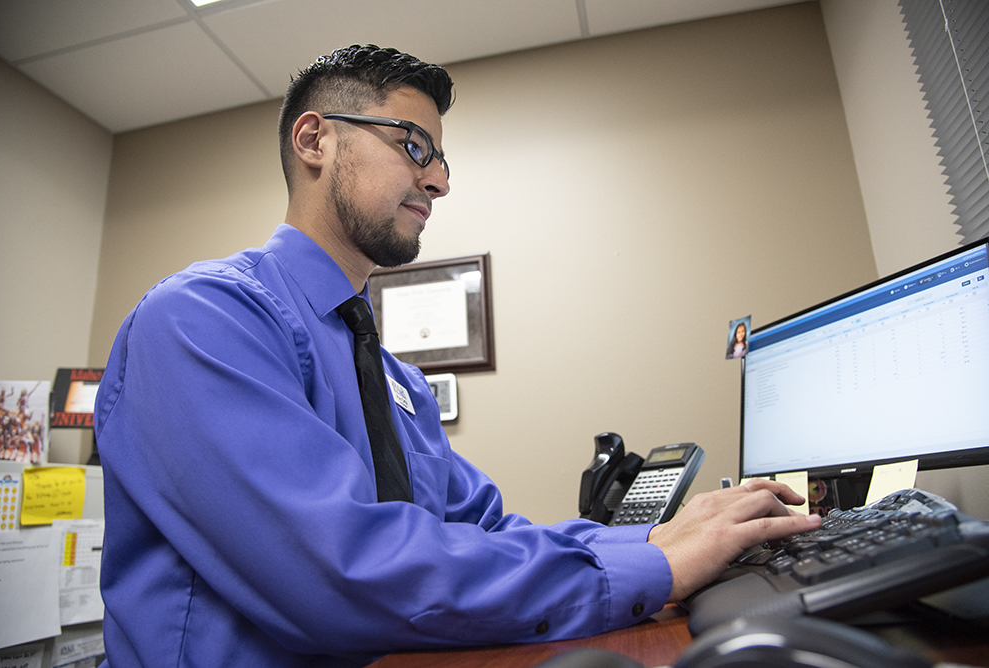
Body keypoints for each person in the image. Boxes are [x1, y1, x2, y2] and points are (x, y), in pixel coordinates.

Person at [93, 45, 820, 668]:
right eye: (414, 144)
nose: (440, 180)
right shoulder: (201, 321)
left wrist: (657, 537)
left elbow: (487, 533)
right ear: (315, 140)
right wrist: (653, 568)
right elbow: (338, 570)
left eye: (440, 157)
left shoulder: (394, 378)